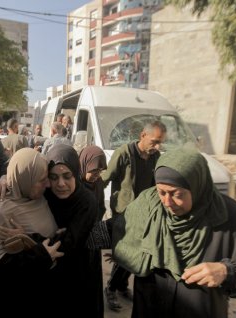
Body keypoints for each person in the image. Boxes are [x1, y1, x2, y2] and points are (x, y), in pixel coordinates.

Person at [112, 147, 236, 317]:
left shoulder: (231, 216)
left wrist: (226, 272)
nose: (167, 202)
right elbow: (113, 229)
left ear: (197, 185)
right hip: (149, 308)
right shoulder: (148, 205)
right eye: (161, 192)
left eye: (176, 194)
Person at [0, 148, 63, 317]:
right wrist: (40, 254)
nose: (48, 184)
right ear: (25, 178)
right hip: (7, 301)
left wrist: (4, 177)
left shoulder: (32, 195)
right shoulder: (0, 209)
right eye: (42, 180)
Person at [102, 121, 167, 311]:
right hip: (124, 214)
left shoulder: (155, 158)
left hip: (145, 215)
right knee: (124, 253)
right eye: (154, 142)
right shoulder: (124, 154)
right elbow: (106, 178)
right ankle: (111, 288)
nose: (157, 146)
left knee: (138, 253)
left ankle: (121, 286)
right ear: (142, 136)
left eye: (160, 142)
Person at [43, 144, 101, 318]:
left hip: (80, 275)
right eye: (54, 177)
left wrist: (39, 242)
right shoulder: (44, 195)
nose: (61, 184)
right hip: (49, 275)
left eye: (67, 176)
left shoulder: (86, 202)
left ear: (76, 173)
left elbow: (68, 244)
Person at [78, 145, 108, 317]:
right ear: (84, 165)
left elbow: (101, 207)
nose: (97, 174)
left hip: (93, 240)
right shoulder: (73, 185)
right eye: (94, 170)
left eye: (100, 171)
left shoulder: (98, 184)